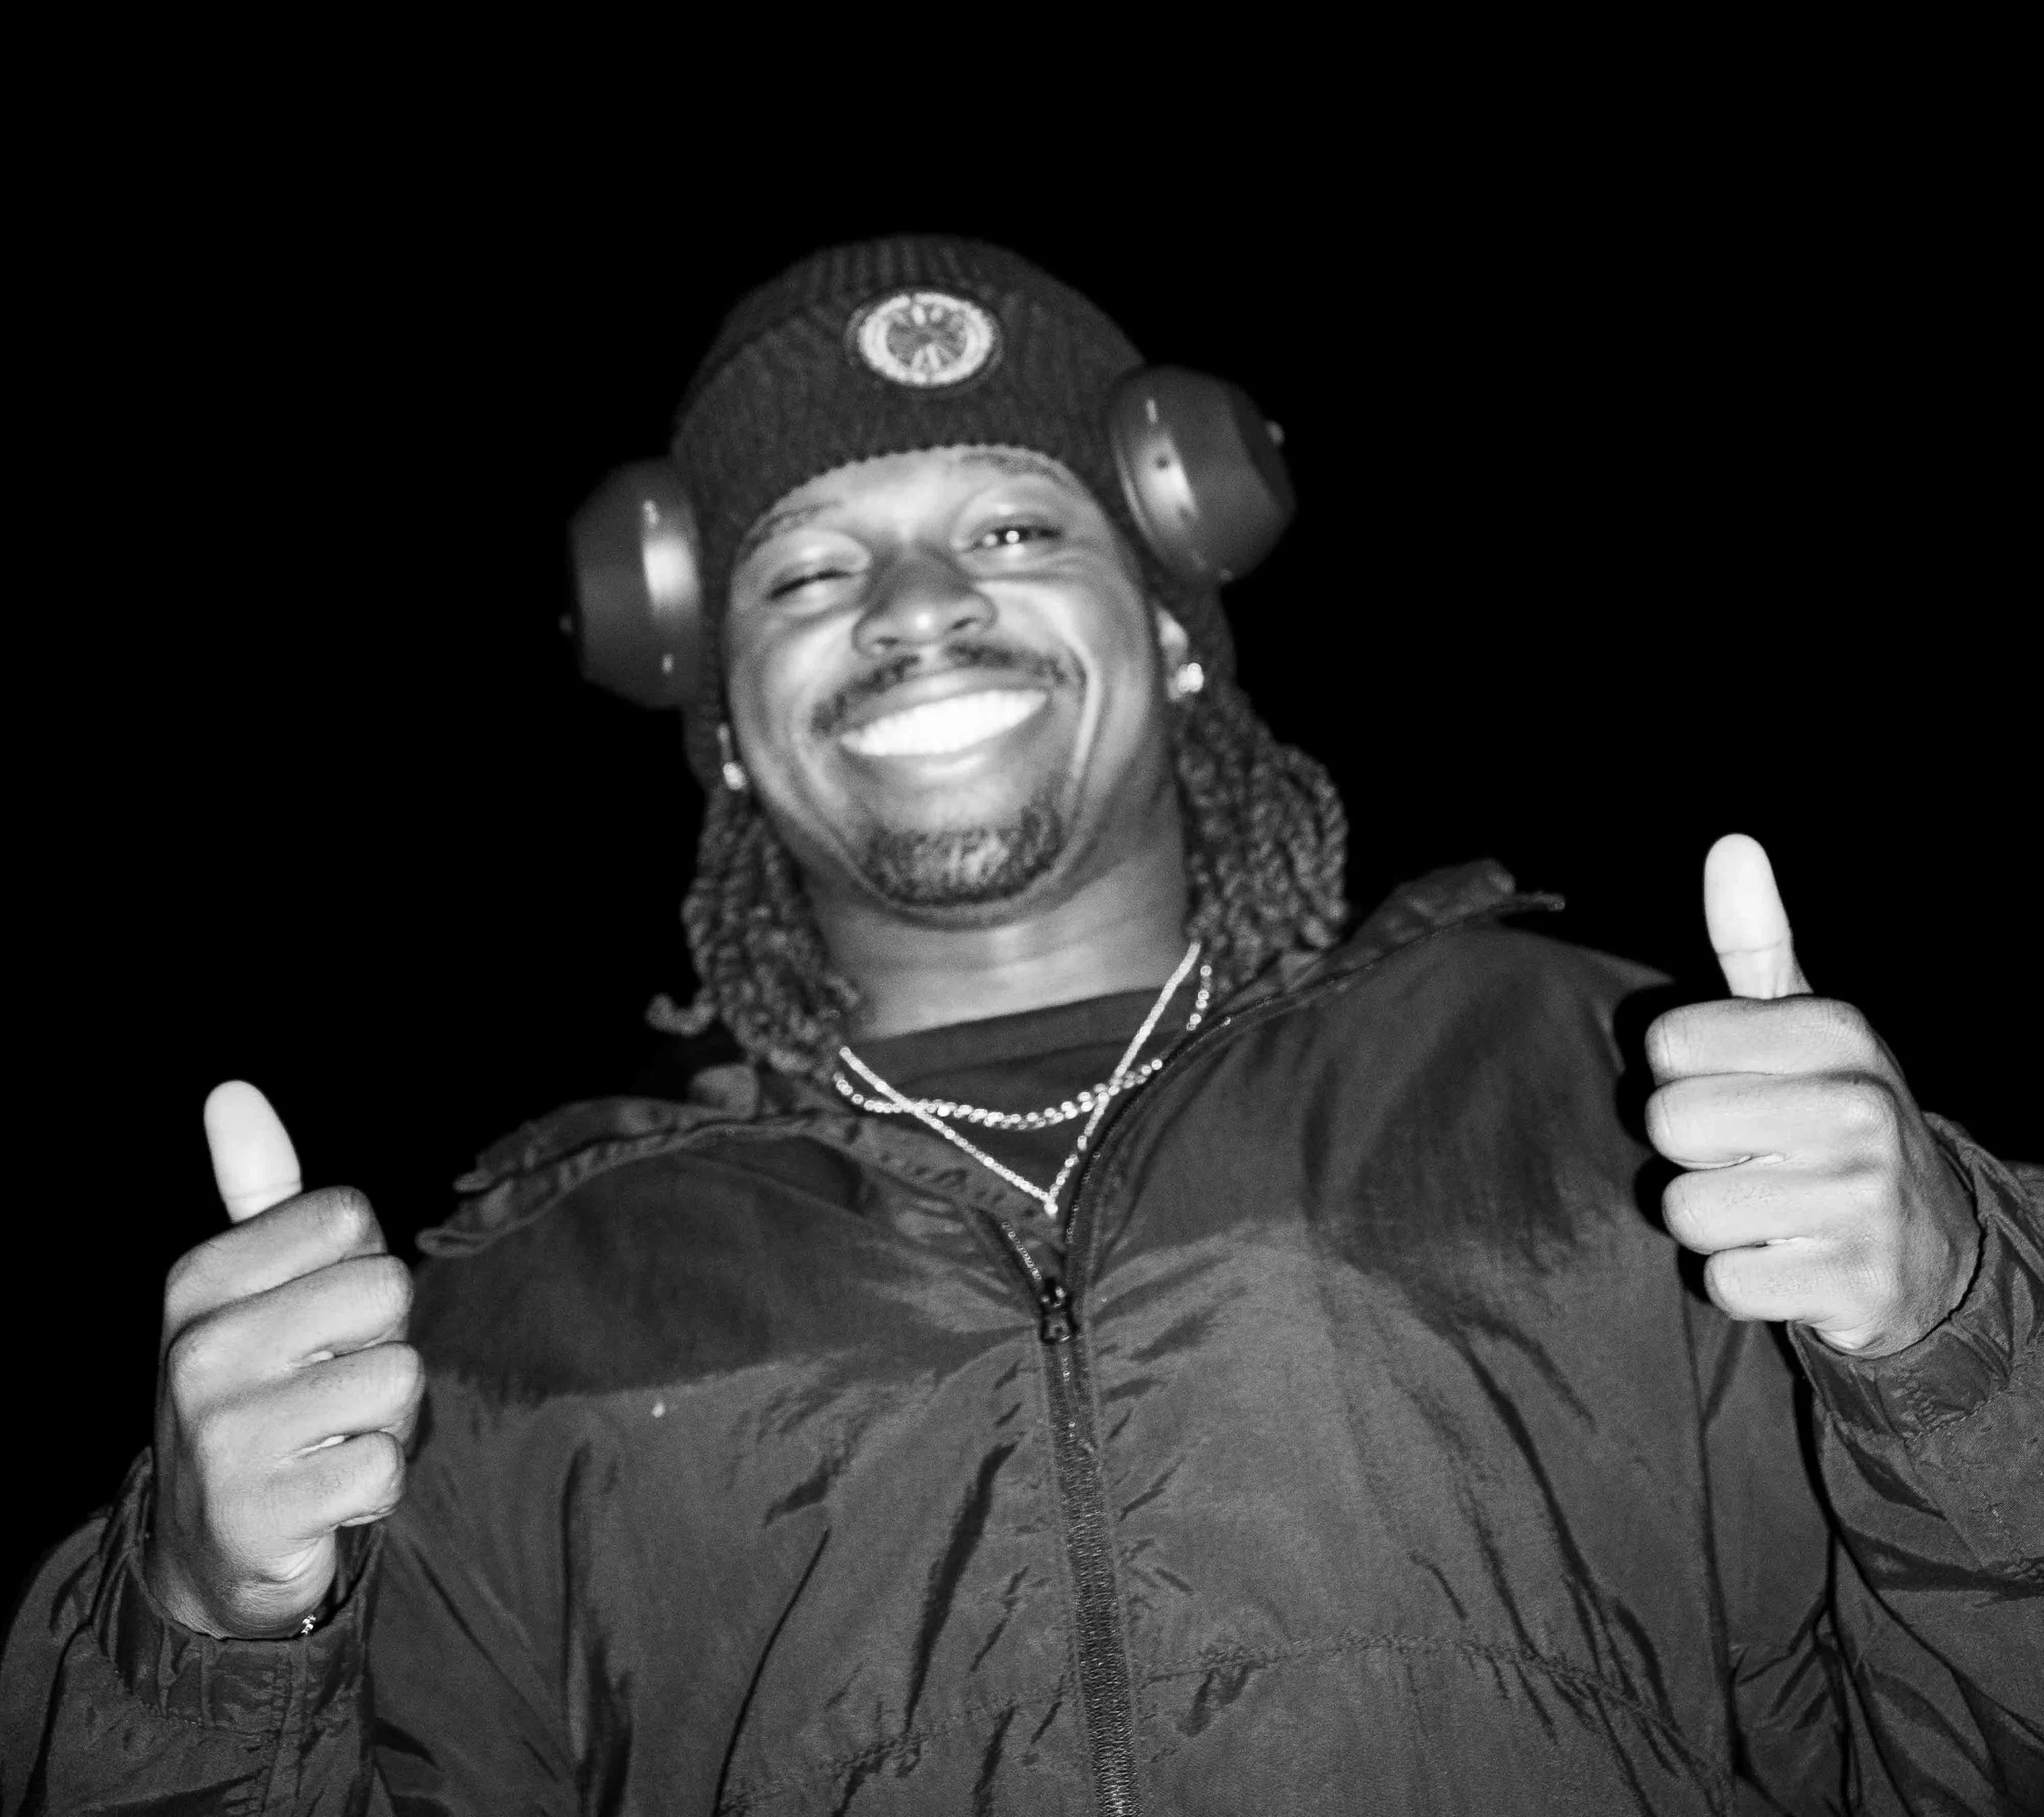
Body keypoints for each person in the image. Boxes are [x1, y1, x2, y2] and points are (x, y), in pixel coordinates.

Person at [4, 235, 2038, 1814]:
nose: (914, 609)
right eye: (805, 571)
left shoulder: (1623, 1118)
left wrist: (1960, 1341)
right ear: (720, 725)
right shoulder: (516, 1324)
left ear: (1168, 625)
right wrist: (202, 1638)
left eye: (1009, 528)